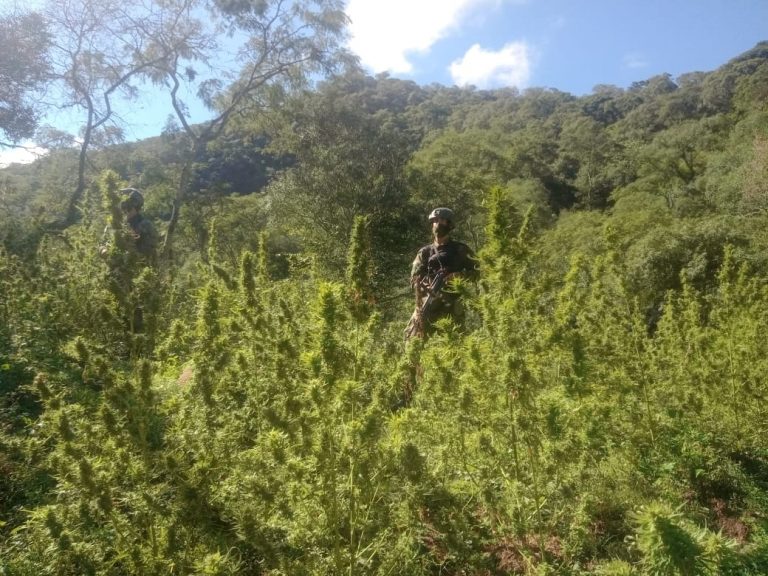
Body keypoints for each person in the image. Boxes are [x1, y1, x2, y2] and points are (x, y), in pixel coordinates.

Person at [404, 207, 478, 339]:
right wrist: (422, 284)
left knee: (456, 345)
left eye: (442, 221)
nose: (438, 224)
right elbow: (414, 279)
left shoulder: (460, 249)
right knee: (413, 339)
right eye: (435, 221)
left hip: (452, 307)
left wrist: (460, 277)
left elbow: (478, 271)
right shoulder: (424, 252)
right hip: (428, 304)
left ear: (450, 225)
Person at [99, 188, 158, 263]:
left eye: (128, 207)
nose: (125, 210)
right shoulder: (115, 223)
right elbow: (103, 242)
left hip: (137, 269)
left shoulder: (146, 225)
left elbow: (149, 250)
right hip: (114, 267)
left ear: (135, 207)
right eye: (123, 207)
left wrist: (129, 254)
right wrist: (103, 251)